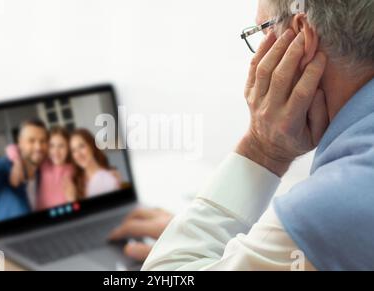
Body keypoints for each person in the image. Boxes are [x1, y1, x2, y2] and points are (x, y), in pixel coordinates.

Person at [135, 0, 374, 271]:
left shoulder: (333, 207)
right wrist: (226, 240)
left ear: (300, 38)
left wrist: (263, 148)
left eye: (262, 31)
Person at [0, 119, 49, 224]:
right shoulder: (1, 167)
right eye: (31, 141)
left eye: (43, 141)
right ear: (20, 143)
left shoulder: (43, 169)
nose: (38, 147)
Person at [7, 126, 76, 211]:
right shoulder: (44, 163)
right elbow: (11, 148)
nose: (56, 151)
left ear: (68, 148)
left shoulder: (73, 169)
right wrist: (17, 162)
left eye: (61, 146)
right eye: (52, 146)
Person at [70, 129, 121, 200]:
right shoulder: (76, 181)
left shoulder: (108, 178)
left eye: (81, 146)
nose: (78, 154)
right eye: (74, 151)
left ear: (92, 146)